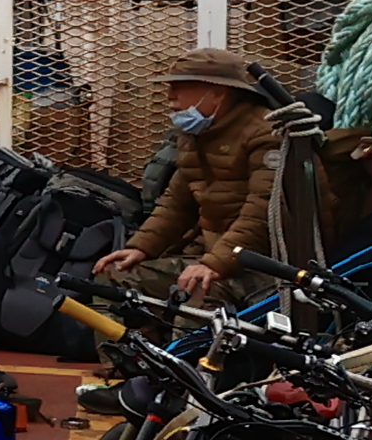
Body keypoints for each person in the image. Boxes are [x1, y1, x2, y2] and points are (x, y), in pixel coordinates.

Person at [105, 46, 289, 304]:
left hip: (265, 264)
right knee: (114, 275)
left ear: (218, 92)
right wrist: (140, 247)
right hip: (215, 253)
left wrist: (214, 264)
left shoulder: (268, 134)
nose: (170, 96)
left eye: (181, 87)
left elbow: (262, 213)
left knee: (194, 293)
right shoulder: (198, 135)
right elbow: (177, 202)